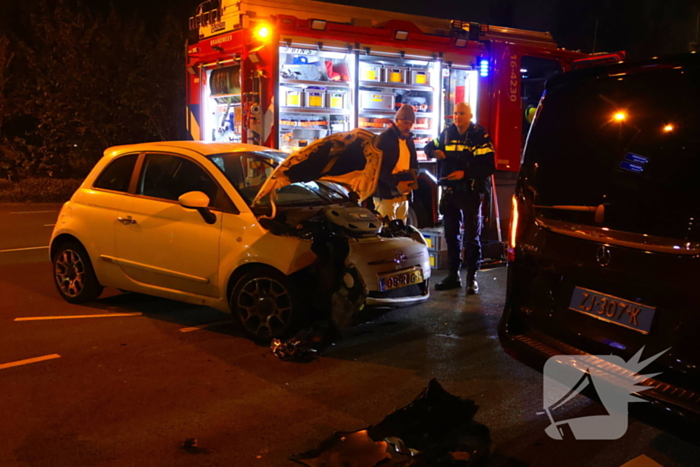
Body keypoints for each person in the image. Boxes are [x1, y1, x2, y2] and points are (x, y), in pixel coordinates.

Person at [424, 102, 495, 294]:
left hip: (471, 192)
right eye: (455, 113)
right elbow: (429, 146)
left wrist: (465, 173)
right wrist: (433, 152)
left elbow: (489, 166)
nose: (457, 116)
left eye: (461, 113)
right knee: (451, 235)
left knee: (472, 237)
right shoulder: (447, 133)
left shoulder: (480, 135)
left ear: (470, 115)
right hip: (450, 192)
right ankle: (453, 275)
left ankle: (472, 278)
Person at [372, 104, 419, 223]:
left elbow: (414, 163)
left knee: (401, 230)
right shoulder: (384, 139)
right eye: (405, 123)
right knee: (387, 231)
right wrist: (396, 183)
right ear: (397, 121)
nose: (407, 127)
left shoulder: (409, 140)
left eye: (410, 124)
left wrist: (412, 177)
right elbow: (377, 167)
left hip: (403, 194)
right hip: (386, 195)